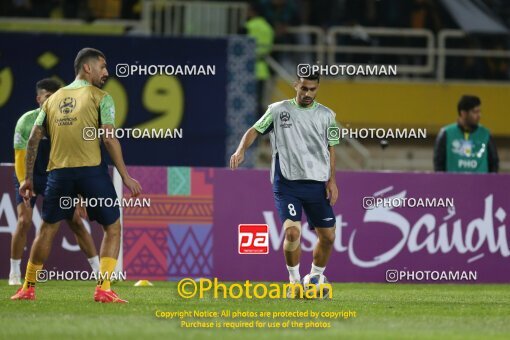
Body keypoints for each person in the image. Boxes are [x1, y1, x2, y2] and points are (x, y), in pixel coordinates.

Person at [12, 47, 142, 303]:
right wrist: (125, 175)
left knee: (47, 229)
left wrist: (27, 178)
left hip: (58, 174)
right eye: (102, 66)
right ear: (87, 67)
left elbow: (34, 140)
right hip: (91, 172)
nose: (106, 72)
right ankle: (103, 288)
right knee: (113, 227)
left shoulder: (52, 100)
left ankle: (27, 287)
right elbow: (108, 137)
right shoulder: (102, 97)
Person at [230, 71, 339, 298]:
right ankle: (294, 281)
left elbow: (331, 147)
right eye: (304, 88)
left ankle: (315, 277)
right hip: (287, 183)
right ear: (295, 86)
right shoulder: (278, 110)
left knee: (328, 237)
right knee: (292, 233)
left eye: (313, 89)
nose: (308, 93)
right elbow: (254, 130)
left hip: (317, 184)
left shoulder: (328, 115)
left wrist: (332, 180)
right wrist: (241, 150)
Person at [9, 78, 99, 286]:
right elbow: (20, 156)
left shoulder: (68, 123)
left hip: (55, 176)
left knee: (75, 221)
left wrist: (79, 194)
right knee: (24, 221)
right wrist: (25, 181)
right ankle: (14, 273)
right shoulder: (26, 121)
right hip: (28, 175)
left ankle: (99, 272)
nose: (52, 101)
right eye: (48, 97)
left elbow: (73, 159)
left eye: (56, 97)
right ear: (38, 98)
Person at [434, 95, 499, 173]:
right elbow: (439, 165)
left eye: (479, 111)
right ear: (463, 113)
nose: (479, 115)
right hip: (453, 184)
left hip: (480, 184)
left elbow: (494, 164)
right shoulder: (446, 134)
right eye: (475, 112)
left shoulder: (486, 134)